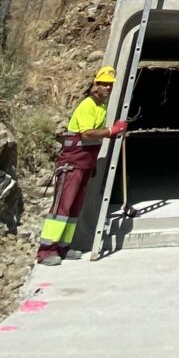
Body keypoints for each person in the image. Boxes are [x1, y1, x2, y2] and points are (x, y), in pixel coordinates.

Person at [37, 68, 127, 264]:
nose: (107, 88)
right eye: (104, 84)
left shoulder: (100, 107)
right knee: (62, 208)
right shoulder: (87, 105)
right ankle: (46, 251)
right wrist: (111, 130)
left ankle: (63, 247)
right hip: (72, 165)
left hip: (85, 164)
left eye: (110, 84)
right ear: (95, 85)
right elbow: (86, 134)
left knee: (75, 207)